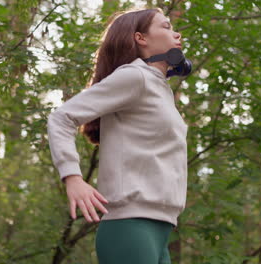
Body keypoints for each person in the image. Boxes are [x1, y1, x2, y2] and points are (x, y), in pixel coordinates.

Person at [47, 7, 188, 264]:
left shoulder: (159, 87)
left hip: (160, 230)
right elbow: (62, 117)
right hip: (130, 227)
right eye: (166, 27)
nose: (177, 34)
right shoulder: (135, 77)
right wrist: (72, 177)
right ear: (140, 38)